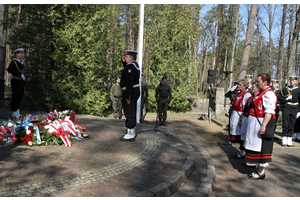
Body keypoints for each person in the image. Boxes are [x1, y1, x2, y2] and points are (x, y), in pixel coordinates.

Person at [244, 73, 277, 180]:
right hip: (256, 122)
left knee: (263, 147)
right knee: (257, 147)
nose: (256, 83)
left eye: (258, 81)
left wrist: (263, 126)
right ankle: (258, 169)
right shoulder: (262, 93)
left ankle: (261, 172)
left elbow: (269, 111)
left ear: (265, 82)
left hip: (262, 123)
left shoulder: (269, 94)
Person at [119, 50, 140, 141]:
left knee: (129, 111)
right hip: (134, 91)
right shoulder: (133, 65)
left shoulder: (131, 67)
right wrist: (123, 62)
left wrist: (128, 96)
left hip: (130, 92)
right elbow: (126, 72)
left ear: (131, 58)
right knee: (131, 111)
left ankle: (130, 133)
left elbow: (129, 81)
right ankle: (132, 130)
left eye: (126, 56)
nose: (125, 57)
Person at [229, 79, 251, 158]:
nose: (238, 86)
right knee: (235, 131)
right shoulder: (238, 94)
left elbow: (245, 108)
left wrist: (241, 119)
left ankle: (243, 152)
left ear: (245, 86)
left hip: (241, 114)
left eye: (240, 85)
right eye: (238, 84)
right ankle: (241, 151)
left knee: (242, 133)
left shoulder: (247, 95)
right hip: (235, 114)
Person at [240, 82, 260, 167]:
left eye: (253, 87)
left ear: (258, 89)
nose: (251, 88)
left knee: (253, 140)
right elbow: (245, 109)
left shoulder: (258, 98)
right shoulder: (251, 98)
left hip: (254, 121)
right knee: (247, 138)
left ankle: (252, 161)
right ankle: (247, 159)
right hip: (248, 119)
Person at [277, 76, 300, 147]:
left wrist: (299, 111)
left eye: (293, 80)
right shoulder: (285, 89)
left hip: (295, 107)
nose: (291, 81)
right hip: (287, 107)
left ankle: (289, 140)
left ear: (296, 81)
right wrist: (285, 99)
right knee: (286, 123)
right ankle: (284, 140)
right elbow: (280, 98)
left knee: (292, 124)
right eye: (291, 80)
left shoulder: (298, 90)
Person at [7, 48, 26, 118]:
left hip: (21, 82)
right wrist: (19, 74)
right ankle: (14, 113)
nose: (23, 55)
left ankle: (17, 112)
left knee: (19, 97)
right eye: (21, 54)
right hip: (16, 81)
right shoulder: (14, 62)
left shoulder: (21, 63)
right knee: (16, 96)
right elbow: (10, 69)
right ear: (17, 54)